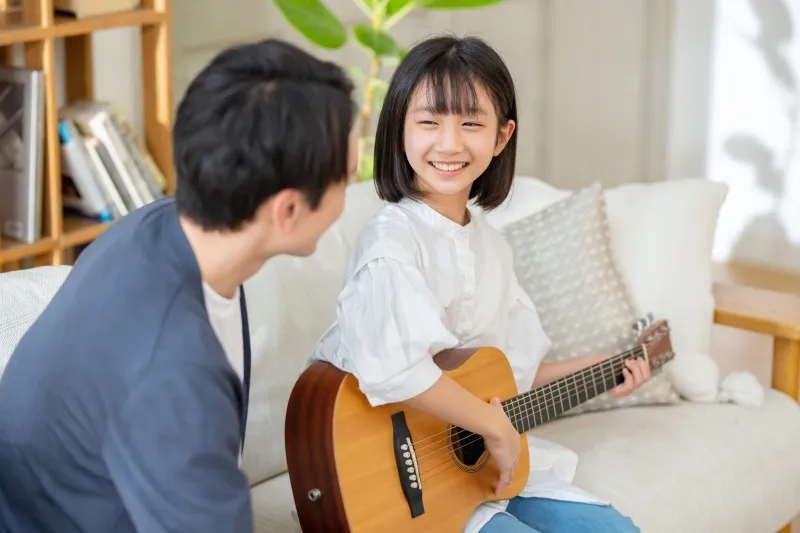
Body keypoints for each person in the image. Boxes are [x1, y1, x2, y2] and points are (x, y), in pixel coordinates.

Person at [0, 39, 356, 533]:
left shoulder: (157, 227)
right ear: (288, 210)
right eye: (347, 180)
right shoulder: (173, 371)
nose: (349, 194)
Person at [310, 35, 650, 533]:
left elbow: (508, 373)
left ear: (502, 137)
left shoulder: (492, 246)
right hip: (395, 493)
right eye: (429, 122)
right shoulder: (391, 243)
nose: (450, 144)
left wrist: (605, 369)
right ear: (399, 128)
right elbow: (394, 367)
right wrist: (492, 424)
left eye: (471, 123)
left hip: (472, 479)